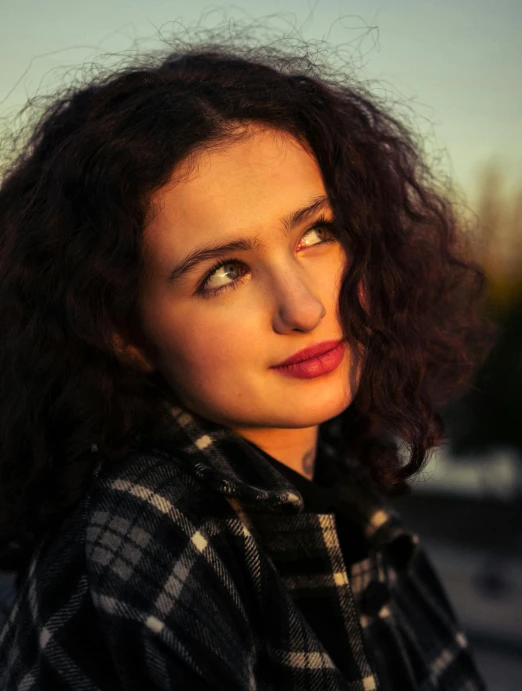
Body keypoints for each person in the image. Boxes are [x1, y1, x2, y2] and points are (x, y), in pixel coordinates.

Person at [0, 37, 496, 690]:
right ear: (124, 332)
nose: (303, 306)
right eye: (225, 272)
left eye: (317, 232)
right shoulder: (151, 534)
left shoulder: (346, 507)